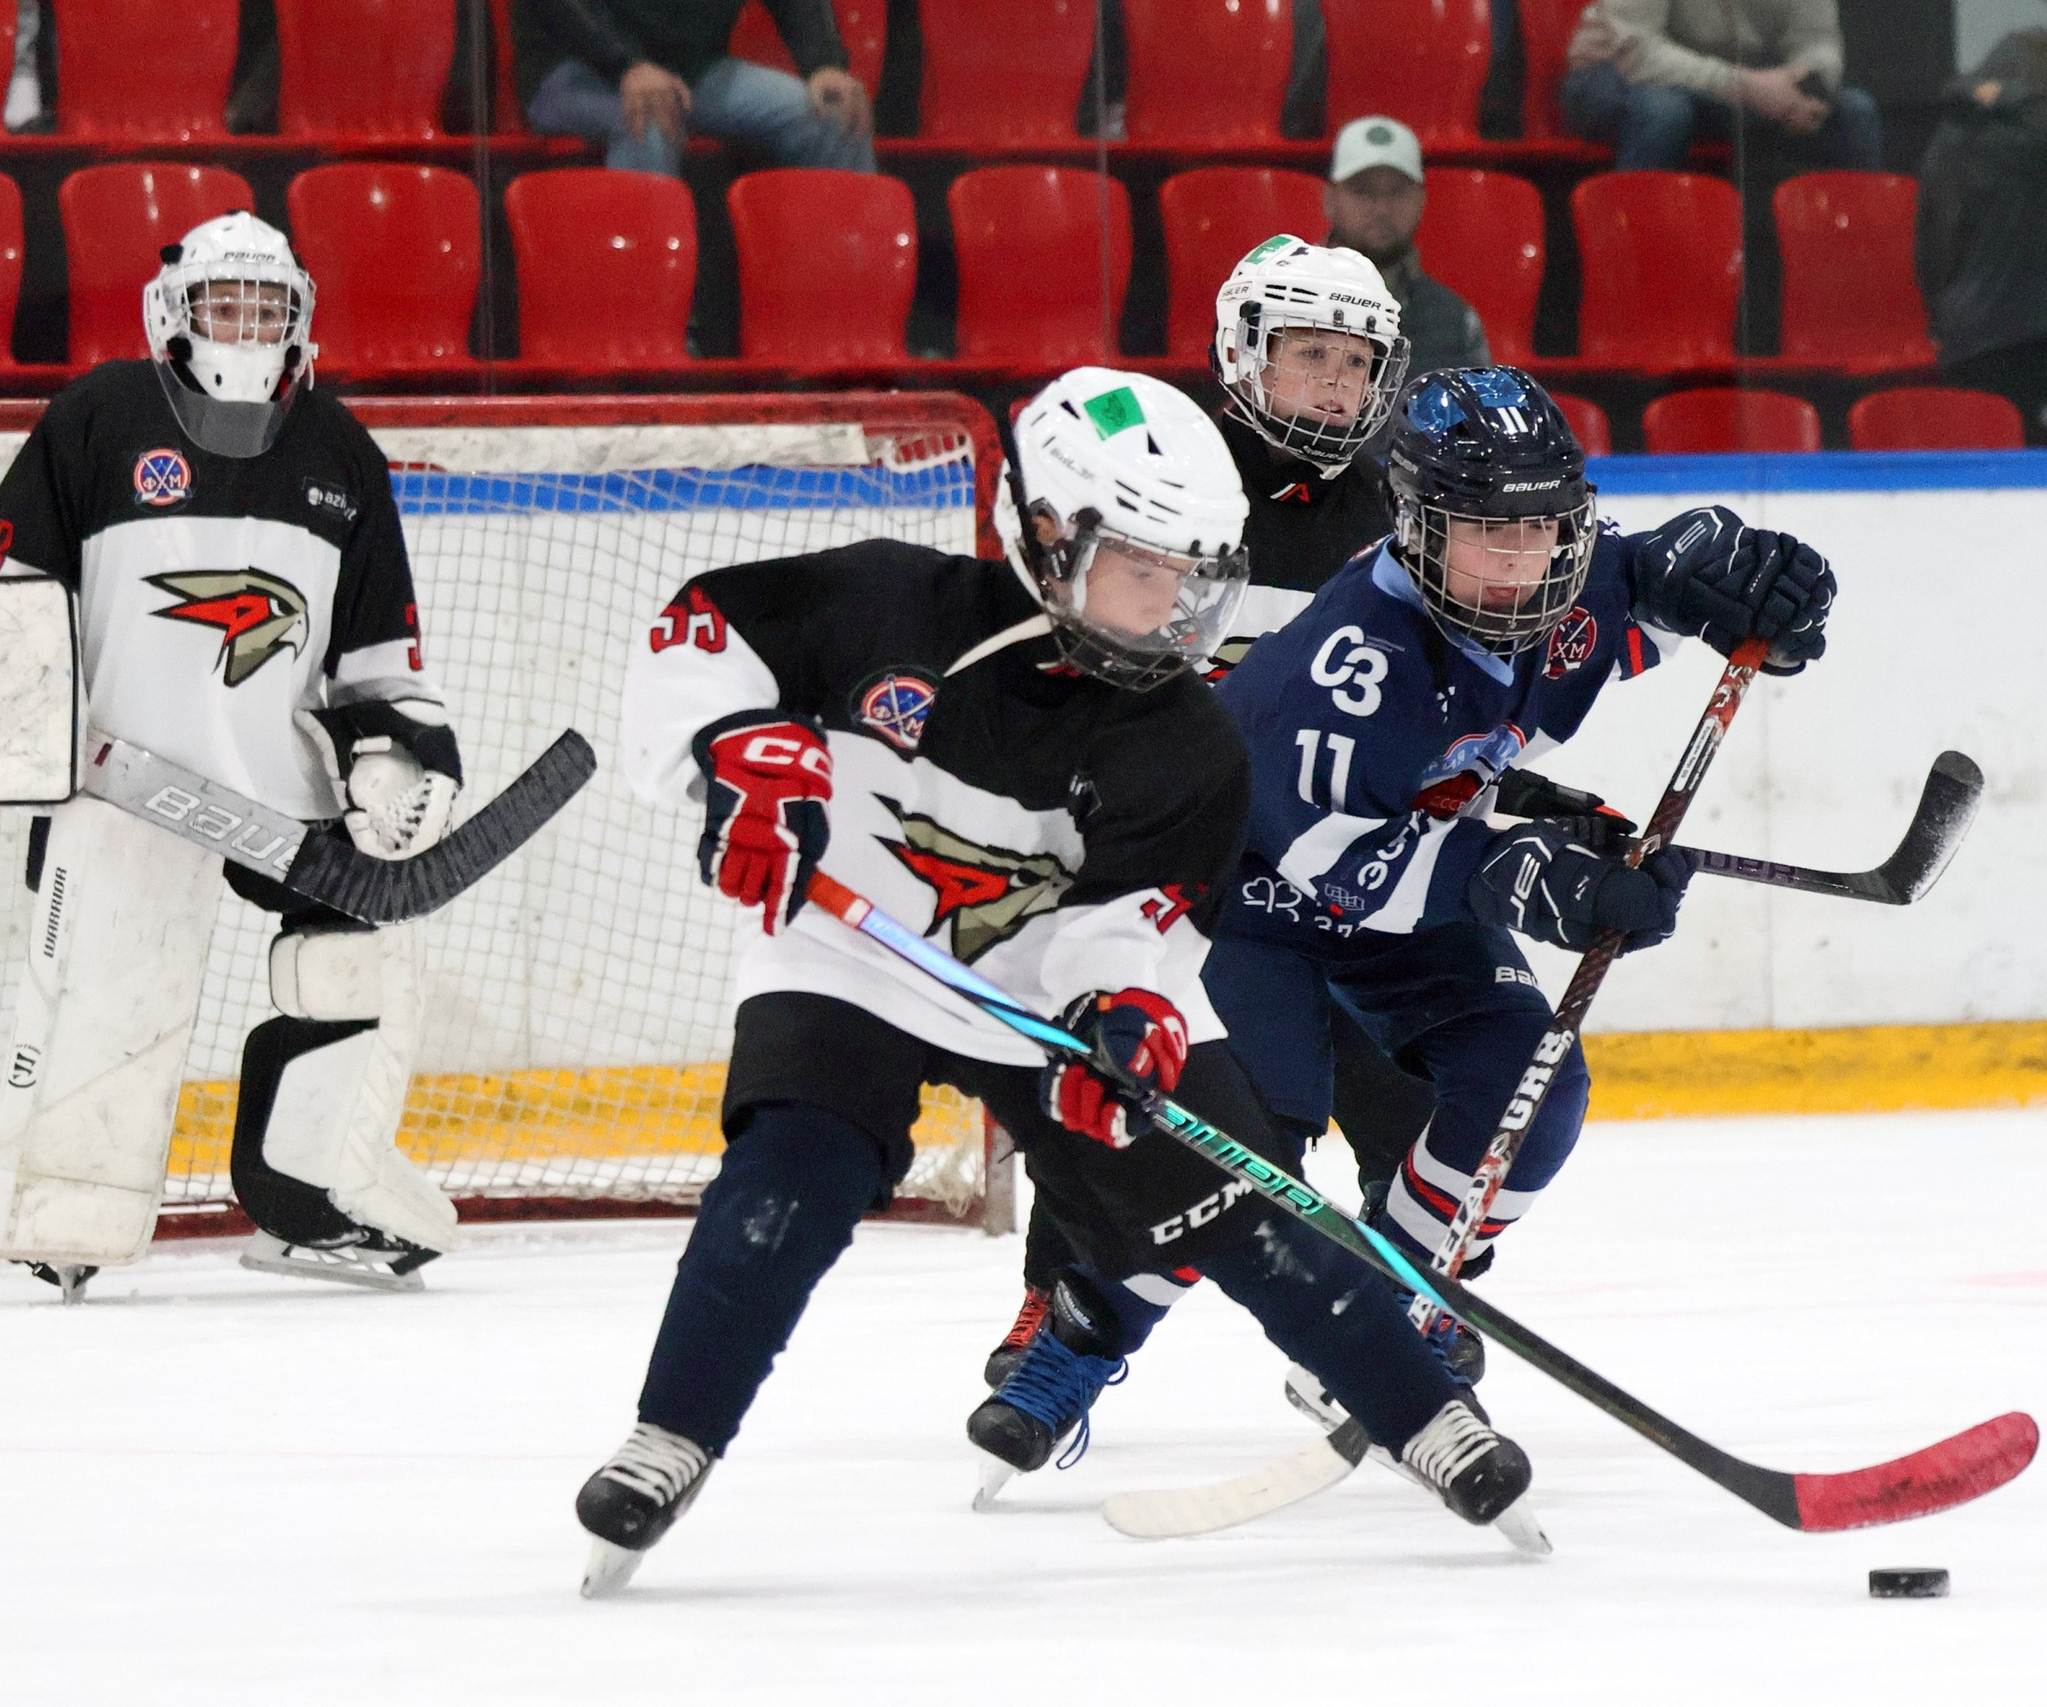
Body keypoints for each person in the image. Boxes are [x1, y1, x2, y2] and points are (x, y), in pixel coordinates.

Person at [575, 367, 1547, 1596]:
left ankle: (1426, 1421)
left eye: (1199, 576)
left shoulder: (1186, 738)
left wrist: (1124, 1013)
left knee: (1245, 1215)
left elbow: (1135, 919)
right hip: (852, 958)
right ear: (1044, 533)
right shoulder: (883, 601)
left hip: (1042, 989)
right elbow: (697, 634)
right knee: (790, 1177)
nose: (1179, 611)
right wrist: (735, 758)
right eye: (1146, 571)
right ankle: (672, 1435)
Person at [994, 367, 1836, 1412]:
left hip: (1407, 897)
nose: (1521, 560)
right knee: (1247, 1154)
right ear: (1420, 528)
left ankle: (1385, 1317)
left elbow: (1660, 579)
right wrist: (1533, 875)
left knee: (1529, 1086)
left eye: (1542, 529)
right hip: (1251, 905)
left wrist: (1754, 586)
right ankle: (1079, 1341)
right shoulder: (1353, 665)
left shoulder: (1541, 578)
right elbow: (1338, 871)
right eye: (1489, 533)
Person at [0, 213, 465, 1300]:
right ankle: (70, 1219)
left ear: (299, 320)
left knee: (352, 963)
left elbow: (379, 653)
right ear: (174, 313)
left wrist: (394, 761)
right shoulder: (97, 418)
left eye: (267, 305)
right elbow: (11, 589)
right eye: (223, 303)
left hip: (279, 785)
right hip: (123, 784)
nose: (246, 323)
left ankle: (308, 1203)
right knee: (115, 984)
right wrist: (26, 723)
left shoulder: (339, 451)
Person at [982, 237, 1436, 1388]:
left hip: (1331, 865)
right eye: (1309, 358)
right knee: (1128, 1089)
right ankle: (1062, 1302)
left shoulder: (1401, 515)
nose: (1335, 385)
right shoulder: (1165, 483)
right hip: (1175, 866)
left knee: (1412, 1077)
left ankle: (1402, 1294)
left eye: (1354, 361)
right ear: (1244, 354)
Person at [1916, 27, 2047, 429]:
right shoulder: (2025, 145)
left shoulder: (1946, 139)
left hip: (1962, 329)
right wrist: (2001, 92)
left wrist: (1939, 313)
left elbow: (1928, 246)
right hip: (2023, 331)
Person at [514, 0, 873, 178]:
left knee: (833, 113)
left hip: (693, 71)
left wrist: (824, 64)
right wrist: (627, 65)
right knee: (649, 118)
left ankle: (840, 304)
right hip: (576, 67)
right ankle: (642, 312)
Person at [1559, 0, 1883, 174]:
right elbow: (1637, 51)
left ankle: (1867, 272)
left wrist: (1805, 86)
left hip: (1729, 88)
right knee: (1664, 111)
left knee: (1854, 111)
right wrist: (1747, 86)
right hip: (1615, 72)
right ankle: (1631, 261)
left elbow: (1817, 40)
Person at [1322, 118, 1491, 375]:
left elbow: (1480, 413)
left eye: (1397, 192)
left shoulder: (1455, 320)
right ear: (1330, 199)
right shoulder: (1283, 304)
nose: (1381, 209)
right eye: (1363, 192)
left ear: (1421, 200)